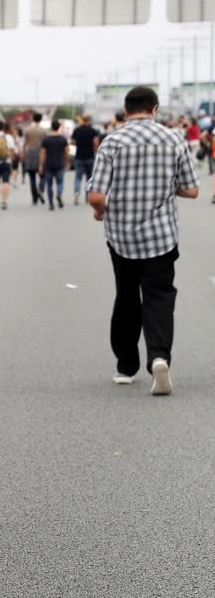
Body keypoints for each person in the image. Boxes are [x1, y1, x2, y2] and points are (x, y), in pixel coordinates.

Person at [87, 86, 199, 395]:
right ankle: (159, 357)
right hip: (161, 236)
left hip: (122, 236)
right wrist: (164, 187)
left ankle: (125, 367)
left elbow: (96, 195)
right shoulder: (173, 138)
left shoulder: (113, 142)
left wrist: (100, 210)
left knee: (126, 296)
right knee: (160, 296)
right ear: (155, 108)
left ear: (125, 110)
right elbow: (192, 190)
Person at [39, 120, 70, 211]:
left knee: (49, 184)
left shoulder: (46, 139)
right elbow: (66, 152)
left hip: (48, 165)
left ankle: (51, 204)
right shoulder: (62, 139)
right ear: (58, 127)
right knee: (60, 182)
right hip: (60, 164)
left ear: (51, 127)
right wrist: (68, 162)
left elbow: (42, 153)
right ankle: (59, 194)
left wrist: (41, 165)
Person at [71, 115, 100, 205]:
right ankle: (88, 195)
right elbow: (95, 142)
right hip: (90, 157)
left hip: (79, 156)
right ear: (89, 120)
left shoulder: (77, 130)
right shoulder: (92, 131)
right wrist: (97, 152)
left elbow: (72, 141)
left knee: (78, 177)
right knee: (89, 177)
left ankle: (76, 192)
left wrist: (79, 143)